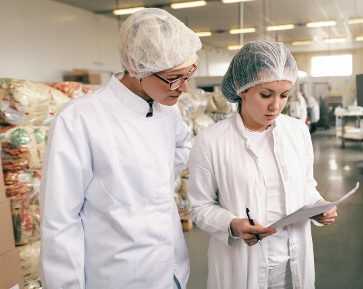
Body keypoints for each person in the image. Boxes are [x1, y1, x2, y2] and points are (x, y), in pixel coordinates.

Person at [40, 8, 201, 289]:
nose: (185, 88)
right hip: (118, 275)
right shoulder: (80, 119)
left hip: (171, 269)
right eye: (175, 77)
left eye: (189, 74)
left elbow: (183, 144)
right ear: (136, 65)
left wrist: (156, 178)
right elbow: (60, 223)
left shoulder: (167, 110)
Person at [188, 40, 338, 289]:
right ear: (241, 89)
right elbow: (200, 206)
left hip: (293, 259)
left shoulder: (298, 131)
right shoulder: (211, 140)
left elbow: (306, 184)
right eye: (266, 94)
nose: (276, 105)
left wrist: (320, 205)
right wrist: (233, 225)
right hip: (242, 265)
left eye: (284, 95)